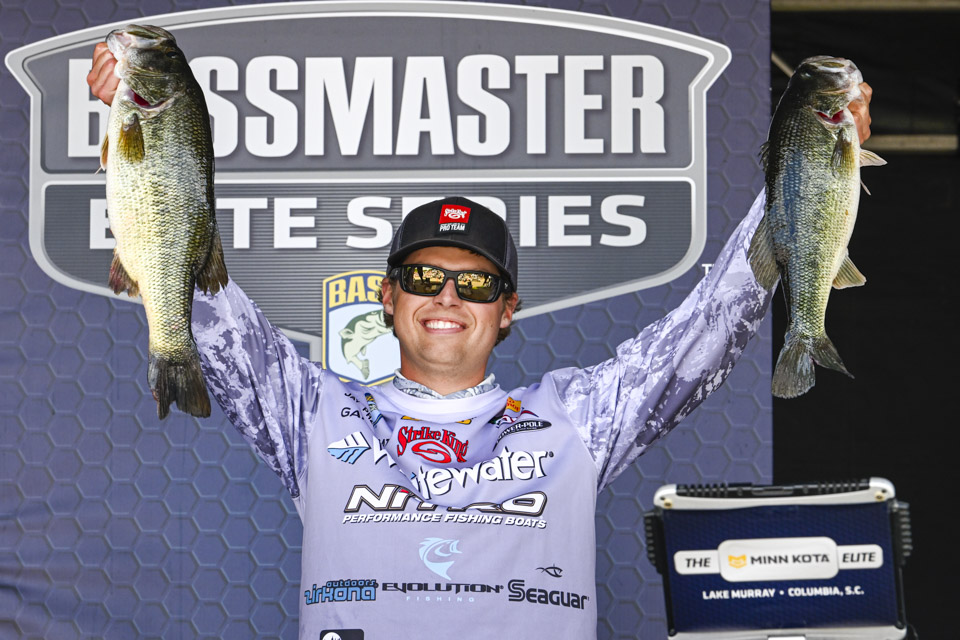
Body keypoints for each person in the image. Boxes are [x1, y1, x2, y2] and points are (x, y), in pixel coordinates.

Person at [88, 43, 872, 639]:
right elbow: (198, 293)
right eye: (424, 277)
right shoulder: (310, 414)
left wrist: (809, 164)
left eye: (477, 283)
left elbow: (710, 321)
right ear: (388, 297)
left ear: (508, 310)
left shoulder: (578, 417)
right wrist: (142, 127)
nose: (448, 297)